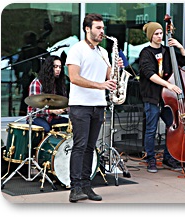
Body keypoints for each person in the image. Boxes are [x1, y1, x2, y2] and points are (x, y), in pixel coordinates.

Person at [66, 13, 123, 202]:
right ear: (87, 29)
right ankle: (75, 188)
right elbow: (74, 77)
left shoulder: (103, 52)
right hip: (81, 106)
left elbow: (109, 76)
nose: (102, 32)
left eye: (103, 28)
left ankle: (86, 186)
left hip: (98, 105)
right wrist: (100, 85)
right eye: (98, 28)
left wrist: (117, 67)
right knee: (80, 146)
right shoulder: (77, 50)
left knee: (90, 147)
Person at [139, 22, 185, 173]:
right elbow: (149, 74)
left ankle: (169, 157)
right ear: (150, 36)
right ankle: (151, 160)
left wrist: (180, 47)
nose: (160, 36)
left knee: (171, 126)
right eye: (156, 34)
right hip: (152, 96)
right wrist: (168, 85)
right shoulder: (146, 53)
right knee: (151, 129)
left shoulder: (168, 51)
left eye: (161, 33)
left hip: (168, 98)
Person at [27, 55, 69, 133]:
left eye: (60, 67)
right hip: (36, 118)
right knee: (46, 129)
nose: (58, 69)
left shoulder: (58, 84)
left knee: (72, 124)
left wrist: (66, 108)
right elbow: (35, 108)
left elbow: (61, 102)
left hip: (53, 118)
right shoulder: (37, 83)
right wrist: (52, 111)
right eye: (55, 67)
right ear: (49, 68)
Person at [14, 31, 48, 116]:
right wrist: (18, 80)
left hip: (40, 79)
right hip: (27, 80)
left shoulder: (41, 51)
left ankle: (39, 115)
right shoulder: (24, 51)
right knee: (25, 99)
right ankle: (24, 116)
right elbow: (17, 66)